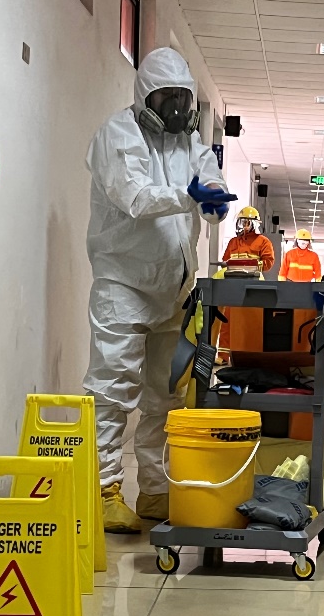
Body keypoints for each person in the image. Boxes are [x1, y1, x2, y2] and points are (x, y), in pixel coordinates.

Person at [84, 47, 235, 534]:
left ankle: (154, 489)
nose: (175, 107)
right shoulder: (118, 134)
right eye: (166, 97)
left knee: (164, 396)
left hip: (173, 290)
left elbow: (210, 182)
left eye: (182, 98)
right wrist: (187, 196)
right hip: (123, 286)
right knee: (112, 390)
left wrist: (215, 201)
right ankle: (102, 491)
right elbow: (134, 196)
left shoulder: (191, 145)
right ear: (144, 96)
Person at [217, 206, 275, 363]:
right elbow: (226, 261)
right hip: (233, 284)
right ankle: (223, 355)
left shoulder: (263, 242)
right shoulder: (233, 242)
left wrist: (252, 266)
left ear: (254, 224)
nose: (244, 225)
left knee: (251, 320)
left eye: (247, 222)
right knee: (227, 319)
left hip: (253, 284)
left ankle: (250, 355)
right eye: (242, 222)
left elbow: (268, 262)